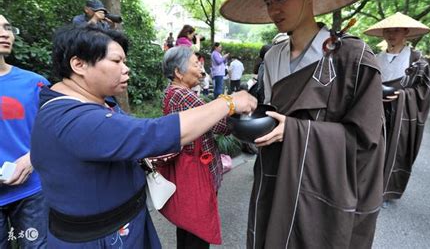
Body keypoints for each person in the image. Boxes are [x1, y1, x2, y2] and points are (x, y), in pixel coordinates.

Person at [29, 24, 256, 248]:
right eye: (117, 61)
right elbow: (150, 134)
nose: (126, 69)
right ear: (79, 64)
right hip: (101, 238)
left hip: (123, 225)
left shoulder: (94, 103)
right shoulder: (72, 117)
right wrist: (228, 102)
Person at [220, 0, 385, 248]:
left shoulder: (353, 57)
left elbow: (367, 138)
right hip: (277, 173)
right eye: (268, 1)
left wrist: (297, 132)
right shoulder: (272, 57)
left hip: (324, 186)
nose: (274, 9)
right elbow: (270, 111)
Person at [161, 46, 231, 248]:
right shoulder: (185, 96)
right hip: (197, 172)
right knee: (198, 230)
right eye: (195, 64)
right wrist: (231, 107)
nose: (201, 70)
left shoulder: (170, 93)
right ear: (178, 72)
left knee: (187, 225)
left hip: (184, 171)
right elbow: (221, 125)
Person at [364, 12, 430, 206]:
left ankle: (385, 191)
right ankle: (367, 187)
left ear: (406, 32)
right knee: (371, 149)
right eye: (388, 30)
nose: (391, 34)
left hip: (401, 114)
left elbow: (423, 92)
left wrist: (403, 96)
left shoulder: (417, 61)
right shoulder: (376, 57)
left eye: (396, 30)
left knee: (393, 151)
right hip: (375, 110)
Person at [0, 15, 48, 248]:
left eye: (8, 27)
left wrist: (32, 157)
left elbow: (52, 130)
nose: (5, 33)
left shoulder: (35, 83)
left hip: (31, 190)